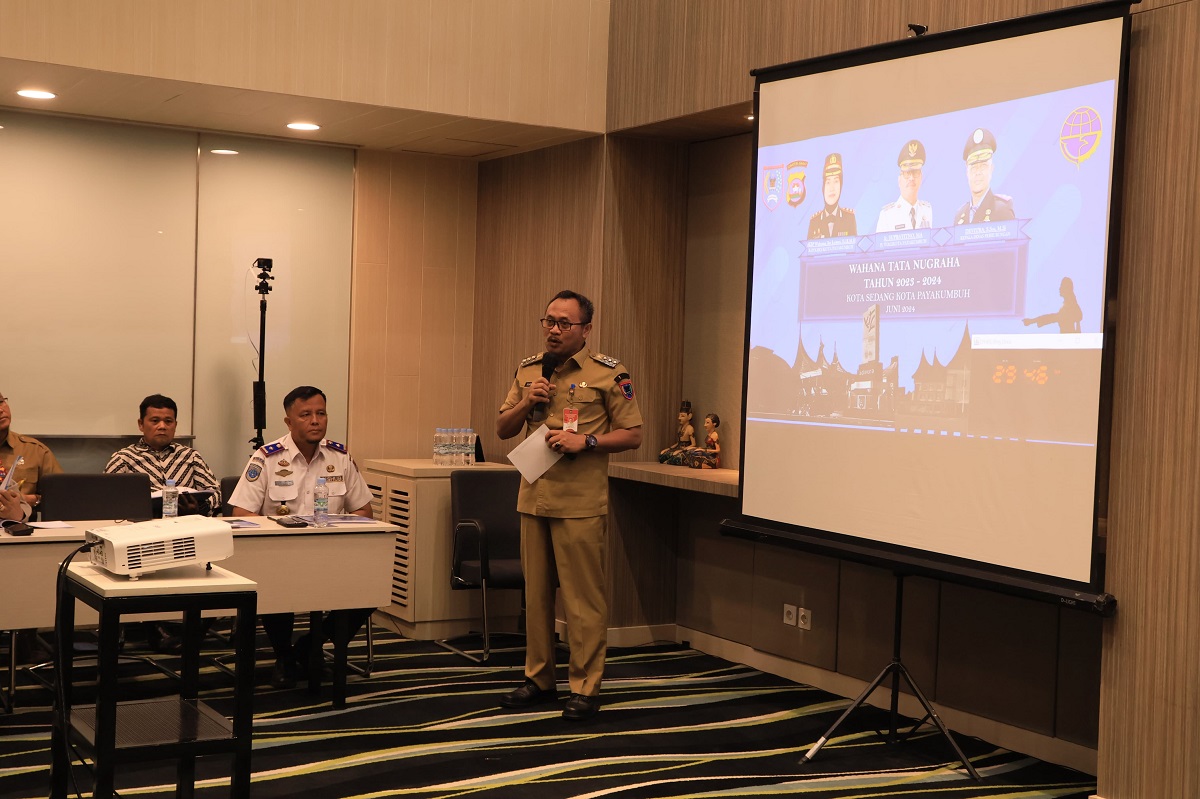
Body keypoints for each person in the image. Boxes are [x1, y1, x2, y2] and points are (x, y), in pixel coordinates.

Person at [496, 290, 643, 720]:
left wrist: (588, 441)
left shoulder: (608, 373)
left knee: (582, 602)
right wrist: (528, 401)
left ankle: (585, 687)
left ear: (586, 329)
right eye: (549, 321)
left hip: (579, 503)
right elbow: (503, 427)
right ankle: (539, 678)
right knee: (536, 597)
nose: (554, 329)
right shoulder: (529, 370)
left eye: (564, 323)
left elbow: (633, 434)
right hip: (534, 498)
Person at [229, 385, 375, 689]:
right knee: (276, 584)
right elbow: (241, 513)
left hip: (333, 554)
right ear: (289, 421)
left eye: (321, 413)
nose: (315, 421)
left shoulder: (340, 456)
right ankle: (284, 656)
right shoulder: (267, 458)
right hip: (280, 556)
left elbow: (363, 510)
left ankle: (309, 645)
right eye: (306, 414)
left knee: (372, 585)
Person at [105, 394, 221, 516]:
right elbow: (105, 498)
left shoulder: (190, 456)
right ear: (141, 424)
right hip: (141, 523)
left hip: (185, 522)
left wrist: (200, 508)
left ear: (175, 425)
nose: (162, 426)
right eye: (155, 421)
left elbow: (217, 492)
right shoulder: (123, 459)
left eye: (168, 421)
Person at [0, 390, 63, 516]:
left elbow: (62, 496)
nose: (1, 410)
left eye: (1, 402)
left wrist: (30, 500)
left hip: (21, 525)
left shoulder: (35, 450)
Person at [954, 127, 1015, 225]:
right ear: (967, 172)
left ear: (991, 168)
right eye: (973, 167)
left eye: (983, 166)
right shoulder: (959, 215)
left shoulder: (1002, 210)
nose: (978, 172)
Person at [876, 139, 933, 232]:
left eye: (915, 172)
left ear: (921, 177)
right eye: (906, 173)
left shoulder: (927, 210)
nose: (911, 178)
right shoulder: (887, 215)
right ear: (899, 180)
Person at [807, 153, 857, 239]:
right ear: (823, 187)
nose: (832, 188)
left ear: (841, 185)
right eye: (828, 182)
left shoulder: (849, 218)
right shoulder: (814, 221)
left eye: (836, 181)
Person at [658, 400, 695, 465]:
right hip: (678, 447)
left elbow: (693, 444)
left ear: (689, 416)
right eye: (679, 416)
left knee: (676, 457)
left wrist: (683, 450)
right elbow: (678, 443)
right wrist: (669, 448)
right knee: (662, 455)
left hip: (686, 449)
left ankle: (670, 461)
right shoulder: (680, 428)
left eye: (682, 416)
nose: (679, 418)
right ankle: (669, 460)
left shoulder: (690, 428)